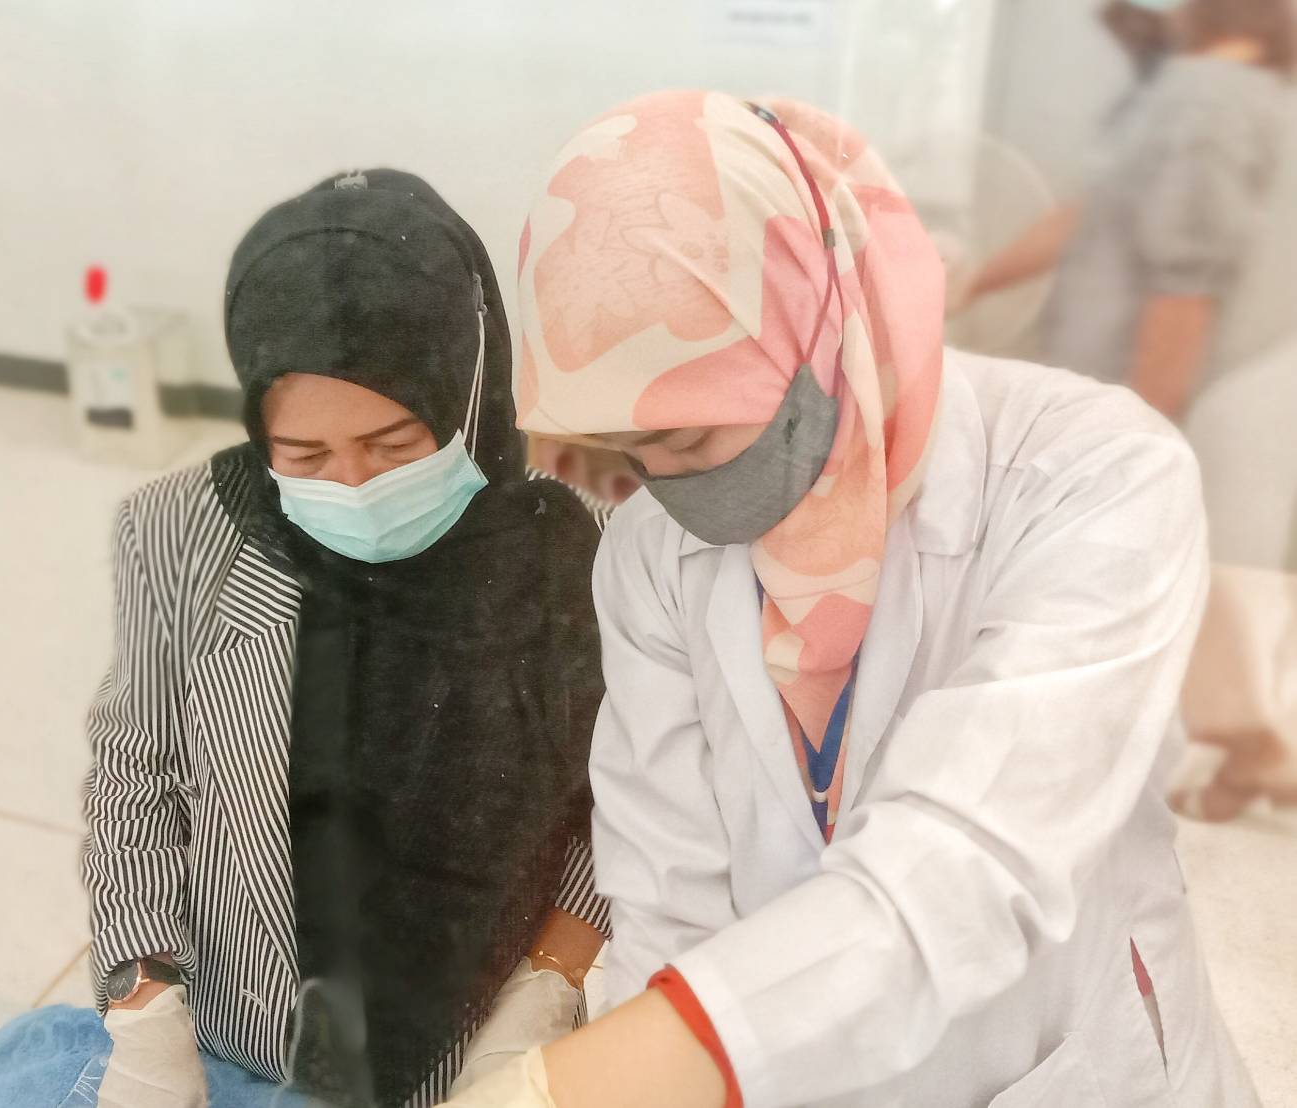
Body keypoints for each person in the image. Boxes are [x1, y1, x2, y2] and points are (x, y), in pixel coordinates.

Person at [440, 90, 1259, 1107]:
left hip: (1062, 1066)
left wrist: (587, 1082)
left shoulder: (1089, 474)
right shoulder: (653, 556)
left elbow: (969, 862)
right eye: (631, 452)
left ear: (810, 324)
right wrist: (637, 1063)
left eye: (688, 438)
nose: (669, 488)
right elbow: (667, 887)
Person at [0, 170, 610, 1108]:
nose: (354, 485)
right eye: (305, 456)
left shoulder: (575, 560)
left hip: (462, 1066)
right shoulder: (179, 531)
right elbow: (136, 778)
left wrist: (543, 994)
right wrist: (146, 1011)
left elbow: (618, 813)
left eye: (396, 445)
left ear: (467, 394)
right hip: (229, 1039)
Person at [957, 0, 1294, 421]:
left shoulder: (1209, 100)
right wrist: (969, 287)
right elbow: (1086, 215)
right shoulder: (1187, 92)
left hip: (1129, 408)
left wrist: (1142, 427)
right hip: (1099, 399)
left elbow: (1186, 292)